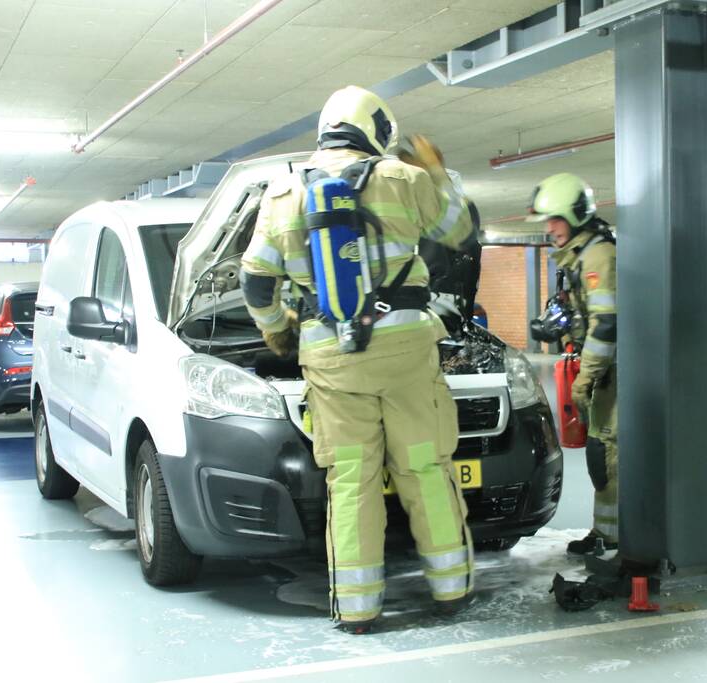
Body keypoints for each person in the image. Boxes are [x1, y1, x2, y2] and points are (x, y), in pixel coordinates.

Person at [239, 85, 478, 633]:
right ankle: (450, 589)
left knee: (350, 479)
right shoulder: (405, 179)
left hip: (330, 357)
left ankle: (358, 608)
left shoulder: (282, 195)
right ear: (379, 130)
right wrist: (438, 175)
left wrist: (278, 332)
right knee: (424, 466)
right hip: (406, 354)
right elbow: (459, 233)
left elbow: (256, 282)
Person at [527, 173, 618, 556]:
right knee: (602, 454)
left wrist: (586, 378)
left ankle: (620, 541)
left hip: (615, 372)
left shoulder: (599, 255)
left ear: (577, 216)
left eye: (557, 219)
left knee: (611, 454)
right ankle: (607, 533)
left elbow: (608, 324)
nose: (550, 229)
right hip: (605, 372)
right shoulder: (580, 255)